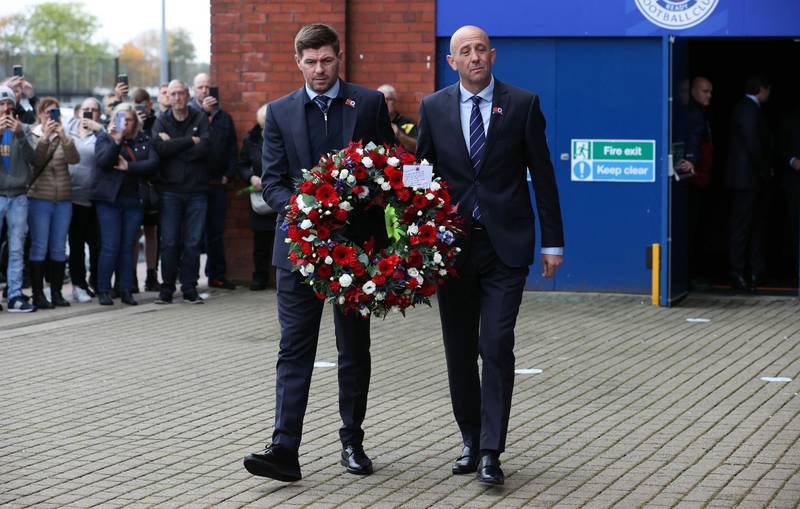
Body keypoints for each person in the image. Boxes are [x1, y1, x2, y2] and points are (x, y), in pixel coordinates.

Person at [243, 23, 395, 483]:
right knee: (294, 350)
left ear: (338, 57)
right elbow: (270, 182)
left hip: (356, 248)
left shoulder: (367, 103)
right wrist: (308, 212)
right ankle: (284, 448)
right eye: (310, 62)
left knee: (353, 348)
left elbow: (389, 165)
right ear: (298, 62)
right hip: (298, 251)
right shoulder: (280, 113)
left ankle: (352, 442)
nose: (319, 69)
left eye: (326, 60)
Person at [416, 25, 564, 485]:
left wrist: (552, 242)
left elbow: (542, 174)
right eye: (466, 51)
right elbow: (424, 178)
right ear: (452, 61)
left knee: (495, 343)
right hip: (452, 248)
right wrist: (417, 242)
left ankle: (490, 451)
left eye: (481, 49)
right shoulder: (433, 107)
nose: (475, 57)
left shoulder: (522, 104)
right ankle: (469, 437)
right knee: (459, 349)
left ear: (493, 55)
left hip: (506, 245)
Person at [93, 103, 159, 306]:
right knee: (110, 246)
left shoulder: (144, 139)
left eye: (129, 120)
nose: (125, 124)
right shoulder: (105, 138)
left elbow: (153, 164)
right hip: (109, 200)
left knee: (128, 246)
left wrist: (129, 167)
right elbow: (104, 162)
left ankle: (126, 288)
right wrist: (117, 141)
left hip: (134, 200)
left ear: (135, 122)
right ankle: (104, 288)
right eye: (121, 119)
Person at [151, 80, 209, 304]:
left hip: (197, 190)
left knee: (193, 242)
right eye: (173, 93)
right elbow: (160, 149)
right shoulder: (161, 120)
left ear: (187, 95)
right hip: (170, 191)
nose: (176, 97)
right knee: (169, 242)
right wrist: (188, 142)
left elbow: (205, 148)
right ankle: (166, 289)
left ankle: (189, 288)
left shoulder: (200, 117)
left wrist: (174, 145)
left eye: (180, 93)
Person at [27, 97, 80, 310]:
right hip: (40, 198)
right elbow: (36, 161)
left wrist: (64, 137)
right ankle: (38, 294)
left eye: (55, 112)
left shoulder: (64, 135)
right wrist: (46, 137)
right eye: (48, 112)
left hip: (64, 199)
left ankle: (57, 292)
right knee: (39, 246)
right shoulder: (32, 135)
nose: (52, 116)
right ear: (40, 114)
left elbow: (74, 159)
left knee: (59, 247)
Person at [189, 73, 238, 290]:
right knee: (193, 235)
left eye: (208, 87)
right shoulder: (189, 115)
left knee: (216, 233)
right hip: (194, 184)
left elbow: (232, 149)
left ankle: (216, 275)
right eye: (200, 87)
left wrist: (229, 173)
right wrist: (203, 114)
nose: (204, 91)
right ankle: (189, 279)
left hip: (218, 183)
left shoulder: (224, 118)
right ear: (194, 90)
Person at [724, 74, 772, 292]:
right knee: (742, 227)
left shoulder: (744, 108)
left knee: (747, 225)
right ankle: (737, 273)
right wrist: (765, 171)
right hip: (746, 179)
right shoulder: (748, 110)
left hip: (746, 179)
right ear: (761, 89)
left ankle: (748, 271)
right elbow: (754, 145)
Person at [0, 85, 36, 312]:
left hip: (19, 196)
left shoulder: (25, 128)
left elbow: (35, 158)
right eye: (1, 105)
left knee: (16, 248)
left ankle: (14, 295)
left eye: (9, 105)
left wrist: (20, 134)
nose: (5, 109)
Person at [66, 98, 104, 302]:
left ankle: (97, 281)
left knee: (97, 244)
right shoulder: (66, 130)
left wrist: (100, 130)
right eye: (85, 109)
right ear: (78, 112)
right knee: (76, 244)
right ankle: (78, 284)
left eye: (94, 110)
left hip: (96, 198)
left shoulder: (102, 133)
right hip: (72, 198)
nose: (89, 113)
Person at [237, 104, 276, 290]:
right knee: (261, 240)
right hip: (260, 197)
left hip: (279, 194)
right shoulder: (251, 140)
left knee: (282, 237)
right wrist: (251, 177)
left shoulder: (284, 138)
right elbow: (242, 165)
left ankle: (282, 278)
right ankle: (260, 276)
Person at [132, 88, 160, 292]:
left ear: (150, 103)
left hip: (151, 186)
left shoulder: (156, 123)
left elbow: (157, 151)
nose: (141, 108)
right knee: (133, 233)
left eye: (143, 103)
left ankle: (151, 273)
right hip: (133, 187)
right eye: (136, 104)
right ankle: (130, 275)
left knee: (152, 232)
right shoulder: (129, 125)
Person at [378, 84, 417, 152]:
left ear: (395, 102)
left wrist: (399, 134)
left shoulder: (407, 122)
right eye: (382, 100)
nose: (384, 103)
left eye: (388, 99)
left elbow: (417, 147)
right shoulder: (372, 122)